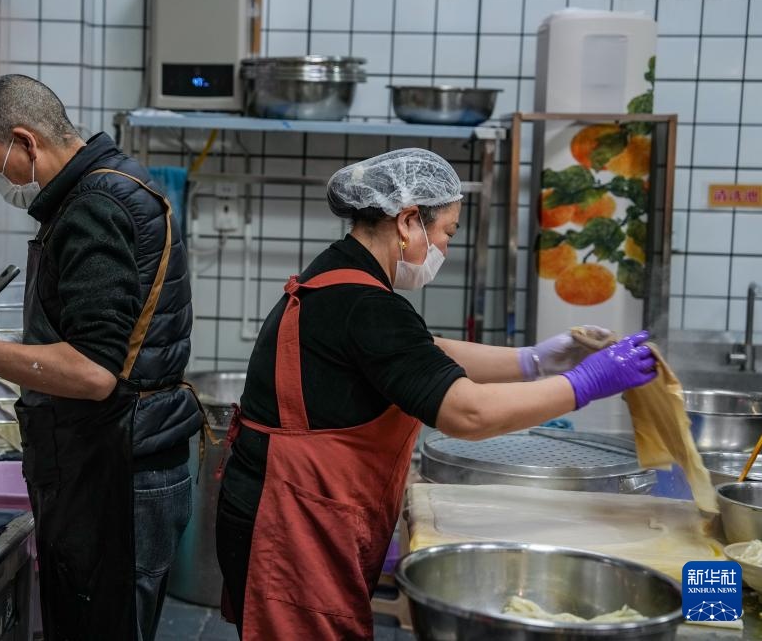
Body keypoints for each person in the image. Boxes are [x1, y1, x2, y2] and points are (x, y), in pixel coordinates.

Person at [214, 149, 657, 640]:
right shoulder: (366, 303)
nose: (444, 247)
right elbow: (468, 413)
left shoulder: (339, 274)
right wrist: (585, 384)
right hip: (291, 523)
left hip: (284, 507)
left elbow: (421, 352)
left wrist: (534, 360)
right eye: (446, 232)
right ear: (407, 221)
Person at [0, 74, 202, 641]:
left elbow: (92, 373)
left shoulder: (95, 206)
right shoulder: (115, 182)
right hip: (121, 458)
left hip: (118, 472)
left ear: (26, 141)